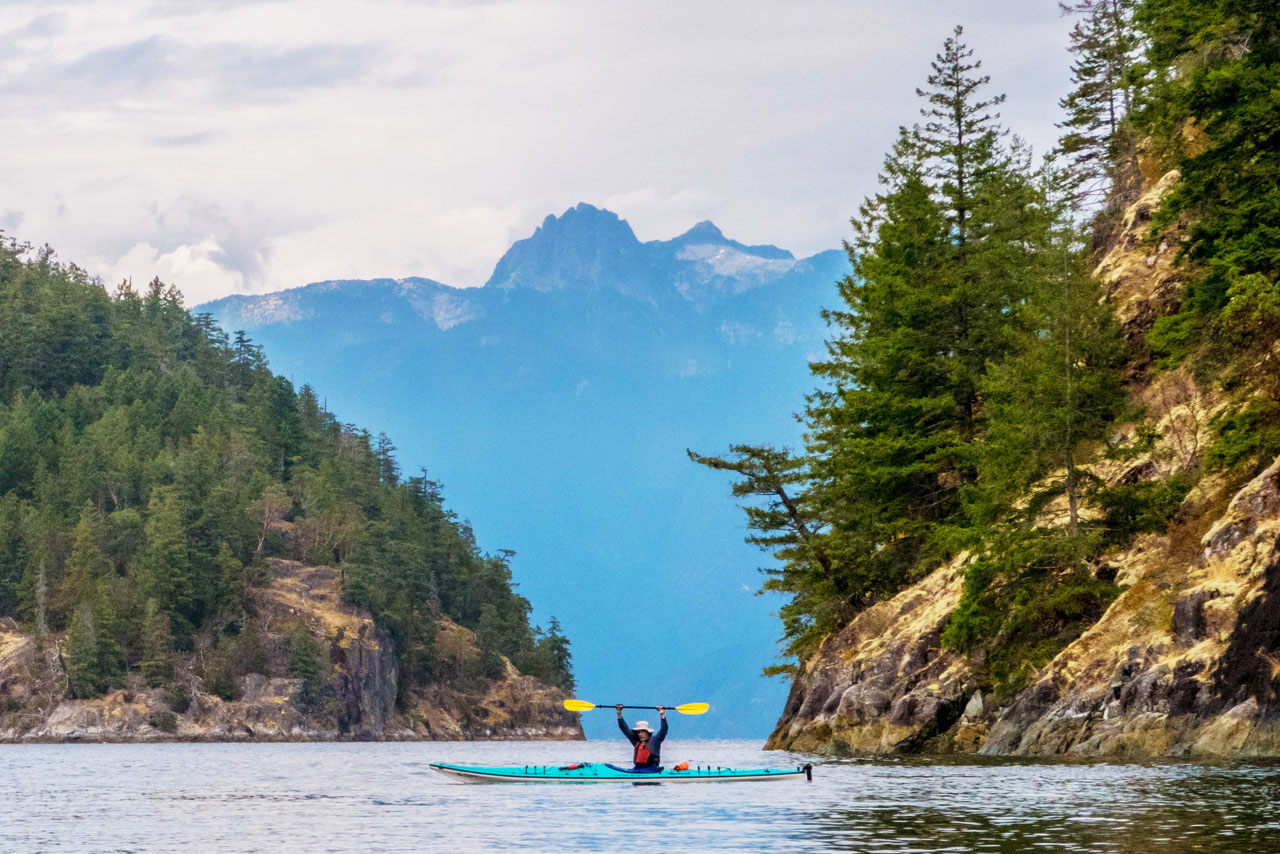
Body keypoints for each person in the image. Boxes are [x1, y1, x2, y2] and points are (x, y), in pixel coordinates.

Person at [616, 704, 668, 772]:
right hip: (637, 768)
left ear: (648, 733)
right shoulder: (636, 741)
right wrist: (619, 713)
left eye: (643, 732)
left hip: (651, 769)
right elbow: (624, 728)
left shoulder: (655, 741)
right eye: (638, 732)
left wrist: (662, 715)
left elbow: (664, 730)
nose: (640, 734)